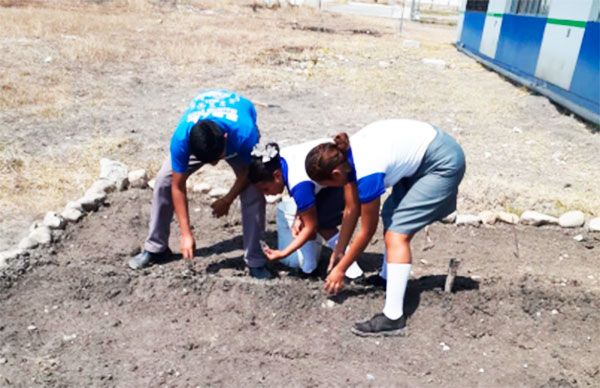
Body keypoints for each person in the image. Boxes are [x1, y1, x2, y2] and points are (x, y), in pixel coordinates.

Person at [305, 119, 466, 336]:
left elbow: (367, 230)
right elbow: (351, 210)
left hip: (442, 162)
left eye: (327, 186)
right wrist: (339, 251)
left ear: (335, 175)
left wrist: (341, 269)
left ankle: (393, 318)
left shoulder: (366, 171)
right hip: (424, 157)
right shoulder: (346, 159)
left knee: (397, 235)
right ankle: (387, 277)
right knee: (390, 214)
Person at [129, 89, 272, 280]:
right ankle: (156, 248)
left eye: (216, 159)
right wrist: (186, 233)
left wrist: (228, 199)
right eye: (207, 160)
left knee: (254, 190)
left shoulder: (245, 133)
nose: (213, 165)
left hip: (237, 122)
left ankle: (255, 260)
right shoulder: (182, 138)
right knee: (164, 180)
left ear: (225, 140)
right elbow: (177, 185)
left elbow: (248, 172)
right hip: (205, 129)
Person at [248, 141, 364, 278]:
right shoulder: (278, 161)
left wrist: (283, 253)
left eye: (265, 189)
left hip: (345, 173)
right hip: (330, 167)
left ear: (277, 176)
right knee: (307, 219)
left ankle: (353, 271)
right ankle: (309, 268)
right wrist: (299, 215)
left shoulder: (298, 183)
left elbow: (311, 226)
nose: (266, 194)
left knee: (322, 222)